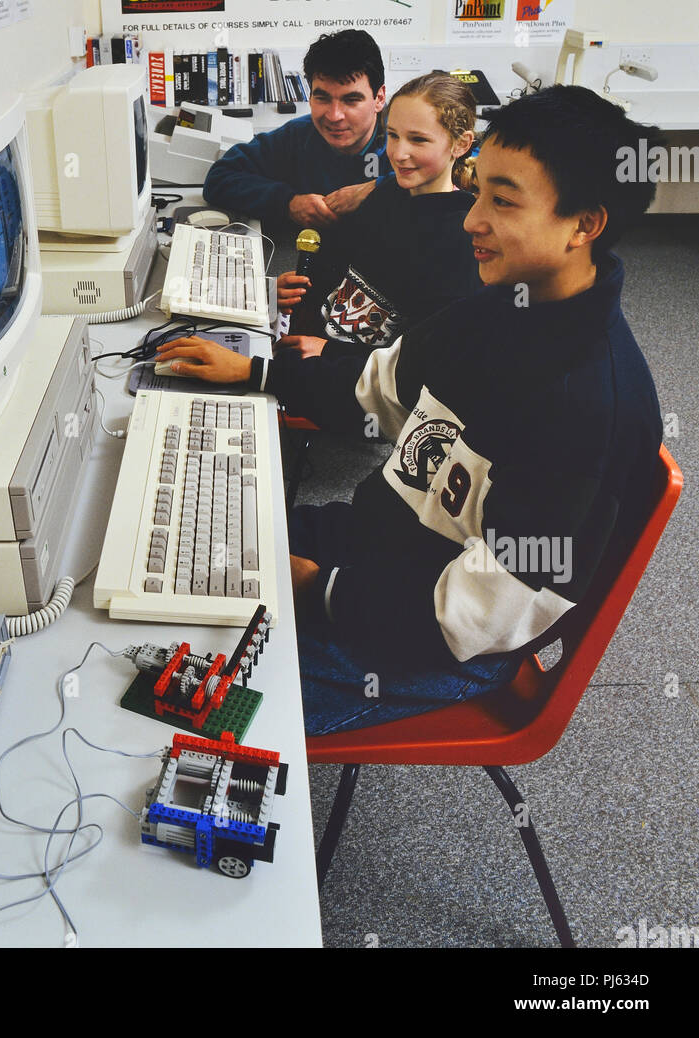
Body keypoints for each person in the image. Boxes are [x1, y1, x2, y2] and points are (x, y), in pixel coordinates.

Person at [155, 86, 665, 735]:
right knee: (190, 544)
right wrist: (259, 370)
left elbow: (470, 620)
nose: (469, 219)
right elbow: (376, 388)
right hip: (378, 550)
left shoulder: (585, 411)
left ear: (582, 225)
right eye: (476, 189)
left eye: (501, 202)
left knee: (177, 703)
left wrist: (317, 586)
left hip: (432, 644)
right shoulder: (495, 307)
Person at [278, 72, 481, 357]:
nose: (398, 154)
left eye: (418, 140)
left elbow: (420, 362)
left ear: (461, 144)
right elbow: (336, 273)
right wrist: (293, 288)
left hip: (351, 379)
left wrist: (326, 353)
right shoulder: (385, 195)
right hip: (315, 352)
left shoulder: (462, 240)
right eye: (394, 136)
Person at [202, 28, 390, 229]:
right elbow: (219, 179)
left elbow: (428, 189)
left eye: (351, 100)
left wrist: (379, 189)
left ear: (378, 98)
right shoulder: (297, 135)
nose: (334, 116)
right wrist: (288, 203)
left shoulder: (407, 139)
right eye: (322, 98)